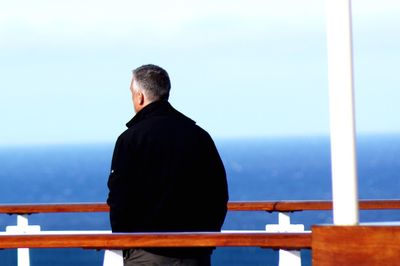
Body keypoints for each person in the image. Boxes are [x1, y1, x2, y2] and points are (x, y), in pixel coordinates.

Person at [107, 64, 229, 266]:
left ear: (140, 97)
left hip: (145, 252)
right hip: (195, 251)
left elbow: (119, 197)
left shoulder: (130, 139)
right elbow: (218, 192)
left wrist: (125, 243)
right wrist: (206, 237)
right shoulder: (199, 136)